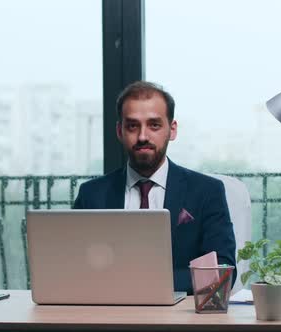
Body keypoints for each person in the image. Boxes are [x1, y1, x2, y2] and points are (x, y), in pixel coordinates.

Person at [73, 81, 236, 294]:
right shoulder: (91, 195)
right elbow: (74, 267)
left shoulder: (207, 191)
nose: (142, 136)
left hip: (181, 322)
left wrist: (143, 284)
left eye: (154, 125)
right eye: (132, 126)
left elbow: (223, 270)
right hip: (110, 318)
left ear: (172, 129)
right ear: (120, 131)